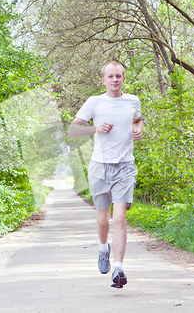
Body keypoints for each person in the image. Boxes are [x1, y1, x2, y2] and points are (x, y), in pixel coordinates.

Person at [68, 61, 143, 289]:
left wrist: (139, 128)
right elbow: (72, 131)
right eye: (110, 76)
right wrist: (95, 129)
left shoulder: (133, 101)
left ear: (123, 78)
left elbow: (137, 119)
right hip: (100, 167)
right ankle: (103, 249)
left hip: (125, 166)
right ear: (103, 80)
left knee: (119, 218)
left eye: (118, 76)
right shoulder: (94, 102)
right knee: (103, 219)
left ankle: (118, 267)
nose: (115, 80)